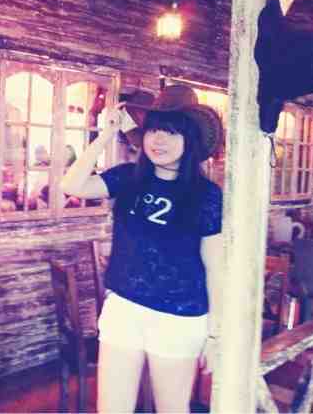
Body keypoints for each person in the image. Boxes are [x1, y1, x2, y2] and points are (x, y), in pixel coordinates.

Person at [60, 84, 224, 413]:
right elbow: (71, 184)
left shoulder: (206, 195)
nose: (159, 140)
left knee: (171, 409)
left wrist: (216, 335)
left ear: (190, 140)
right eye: (153, 130)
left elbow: (216, 267)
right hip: (124, 308)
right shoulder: (128, 178)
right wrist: (105, 135)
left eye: (172, 132)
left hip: (178, 316)